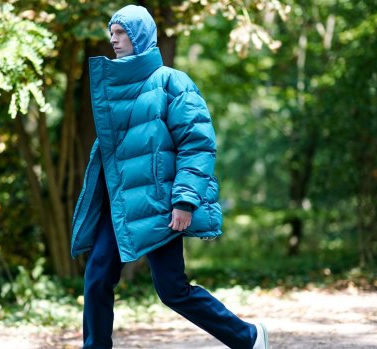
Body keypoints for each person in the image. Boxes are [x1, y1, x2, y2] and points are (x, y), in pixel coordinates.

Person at [70, 5, 269, 349]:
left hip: (159, 206)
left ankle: (248, 337)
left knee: (172, 290)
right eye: (112, 33)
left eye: (121, 33)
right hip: (119, 206)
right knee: (97, 277)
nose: (113, 40)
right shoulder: (114, 86)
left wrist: (185, 199)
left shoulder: (171, 82)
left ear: (140, 36)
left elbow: (198, 144)